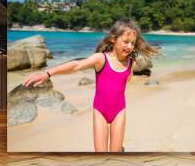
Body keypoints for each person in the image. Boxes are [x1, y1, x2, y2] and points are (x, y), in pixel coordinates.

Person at [22, 18, 159, 152]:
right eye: (125, 42)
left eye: (132, 43)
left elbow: (126, 80)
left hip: (119, 111)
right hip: (100, 111)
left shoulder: (131, 63)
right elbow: (77, 65)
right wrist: (48, 73)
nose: (129, 46)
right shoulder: (101, 59)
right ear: (113, 39)